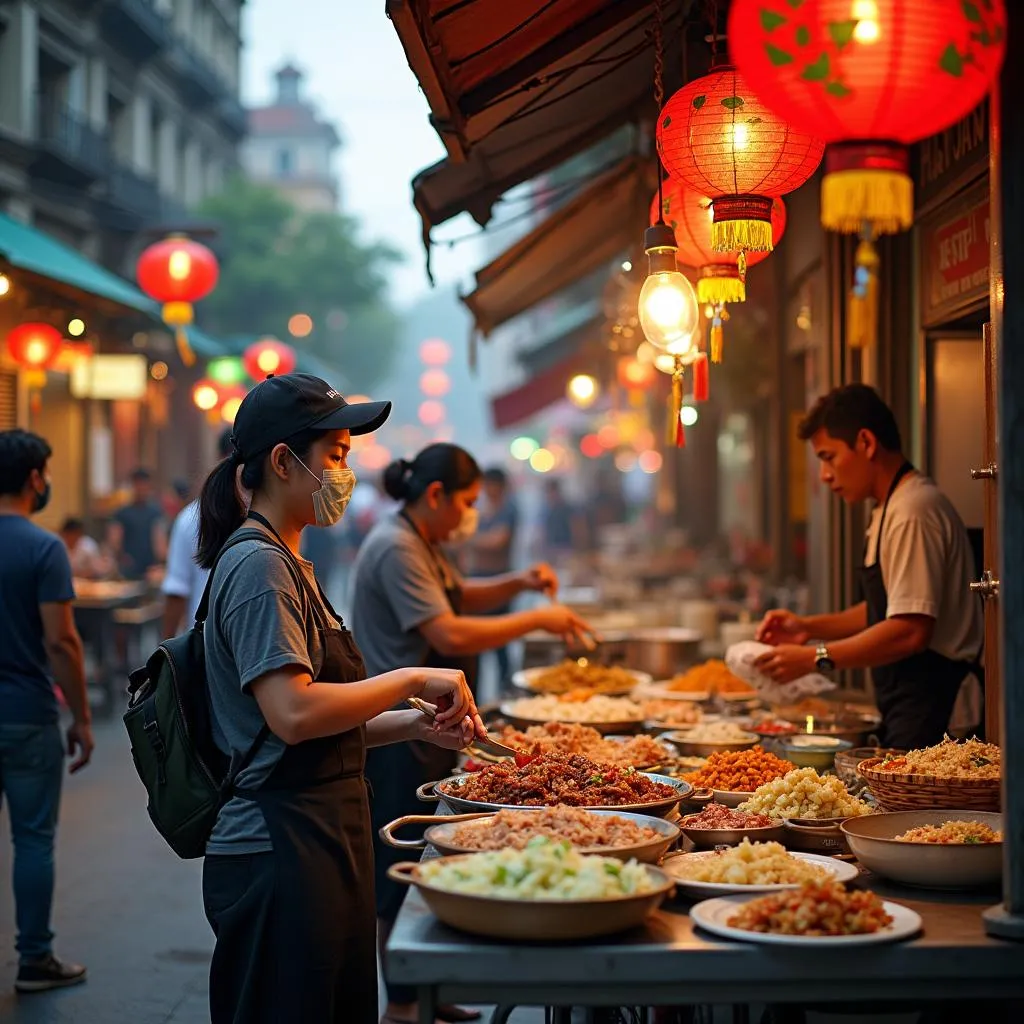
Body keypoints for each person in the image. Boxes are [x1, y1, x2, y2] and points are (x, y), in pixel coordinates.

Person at [194, 373, 485, 1024]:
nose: (347, 471)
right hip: (278, 851)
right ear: (281, 461)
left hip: (321, 838)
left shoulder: (292, 562)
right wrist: (412, 679)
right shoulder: (260, 567)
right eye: (337, 454)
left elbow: (325, 715)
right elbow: (292, 715)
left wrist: (411, 725)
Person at [350, 443, 593, 1024]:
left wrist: (519, 583)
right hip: (400, 731)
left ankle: (424, 988)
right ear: (435, 495)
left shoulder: (424, 542)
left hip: (428, 728)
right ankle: (403, 1005)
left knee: (427, 858)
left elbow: (459, 597)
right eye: (466, 501)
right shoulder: (396, 546)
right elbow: (450, 633)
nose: (470, 513)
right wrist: (537, 616)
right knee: (395, 875)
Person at [754, 384, 984, 749]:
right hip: (907, 703)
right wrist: (808, 628)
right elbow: (885, 611)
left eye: (829, 457)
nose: (825, 475)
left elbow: (910, 630)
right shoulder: (888, 508)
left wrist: (816, 657)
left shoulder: (913, 510)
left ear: (866, 442)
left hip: (938, 710)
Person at [0, 430, 93, 993]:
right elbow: (62, 642)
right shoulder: (43, 548)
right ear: (36, 478)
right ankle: (35, 959)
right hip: (27, 715)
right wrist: (81, 718)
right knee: (32, 839)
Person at [160, 429, 235, 639]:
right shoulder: (192, 518)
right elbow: (176, 591)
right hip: (215, 646)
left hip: (206, 644)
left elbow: (176, 590)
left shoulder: (190, 518)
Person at [463, 466, 519, 685]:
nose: (488, 490)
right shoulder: (483, 509)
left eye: (491, 485)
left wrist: (469, 540)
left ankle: (505, 689)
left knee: (500, 642)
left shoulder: (509, 509)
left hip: (499, 578)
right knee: (476, 642)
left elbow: (498, 541)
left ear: (501, 487)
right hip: (478, 576)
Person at [107, 468, 167, 580]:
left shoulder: (156, 513)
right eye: (138, 485)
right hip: (128, 570)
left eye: (144, 485)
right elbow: (114, 542)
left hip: (151, 571)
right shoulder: (121, 513)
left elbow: (160, 542)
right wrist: (119, 558)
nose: (141, 489)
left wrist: (161, 563)